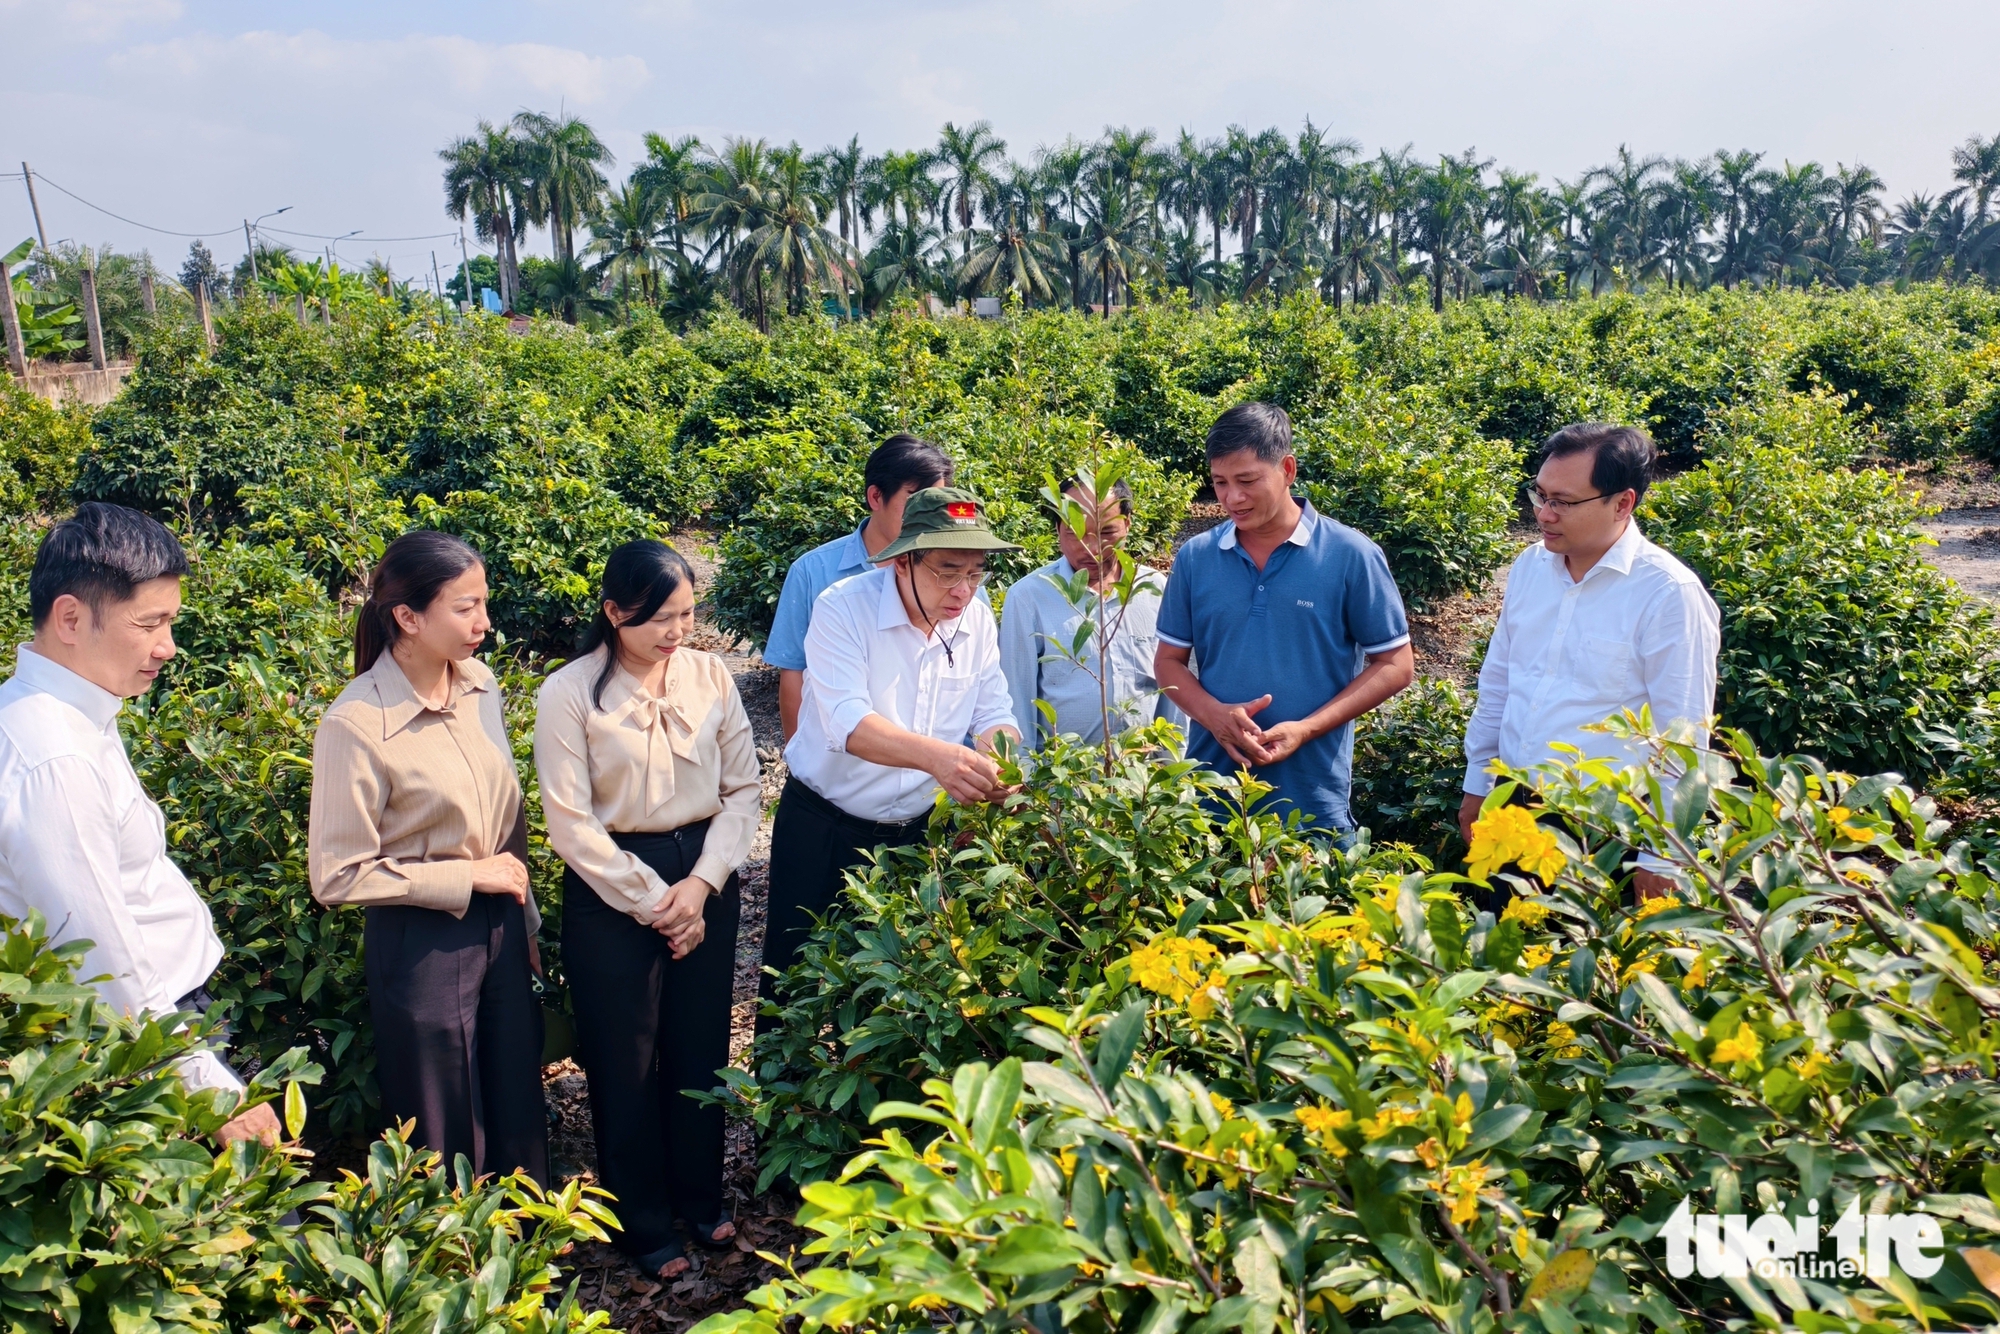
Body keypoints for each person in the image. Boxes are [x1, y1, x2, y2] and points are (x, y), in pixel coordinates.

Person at [0, 503, 279, 1147]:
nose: (167, 646)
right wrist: (204, 1086)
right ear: (71, 618)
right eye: (148, 623)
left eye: (170, 622)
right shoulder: (55, 755)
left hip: (158, 1029)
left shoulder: (70, 715)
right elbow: (98, 953)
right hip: (148, 1044)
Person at [535, 540, 759, 1280]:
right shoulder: (569, 693)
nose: (676, 632)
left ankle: (700, 1197)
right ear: (612, 614)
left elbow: (743, 791)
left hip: (703, 874)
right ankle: (644, 1220)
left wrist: (699, 887)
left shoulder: (708, 676)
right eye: (659, 618)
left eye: (688, 614)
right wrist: (653, 900)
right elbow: (570, 823)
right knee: (624, 1057)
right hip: (612, 888)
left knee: (699, 1045)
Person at [308, 531, 546, 1184]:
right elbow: (336, 873)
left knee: (515, 1101)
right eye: (465, 607)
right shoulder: (355, 723)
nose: (485, 623)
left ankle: (525, 1261)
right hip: (421, 943)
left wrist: (526, 927)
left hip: (499, 921)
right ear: (408, 617)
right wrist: (466, 875)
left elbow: (509, 816)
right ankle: (454, 1273)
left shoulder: (479, 686)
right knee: (443, 1126)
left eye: (485, 604)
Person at [764, 487, 1020, 1024]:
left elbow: (993, 709)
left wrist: (1000, 766)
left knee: (901, 992)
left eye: (976, 574)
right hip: (825, 828)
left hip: (917, 834)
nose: (964, 591)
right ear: (903, 562)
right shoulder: (842, 608)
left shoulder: (975, 620)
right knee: (798, 982)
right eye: (949, 571)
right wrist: (941, 760)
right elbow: (848, 724)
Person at [1458, 423, 1721, 901]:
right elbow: (1499, 684)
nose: (1543, 514)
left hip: (1608, 828)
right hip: (1513, 808)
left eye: (1564, 501)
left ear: (1623, 503)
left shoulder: (1667, 595)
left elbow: (1683, 739)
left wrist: (1661, 855)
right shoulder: (1529, 568)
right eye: (1539, 495)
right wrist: (1479, 784)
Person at [1155, 402, 1416, 838]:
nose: (1232, 498)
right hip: (1214, 799)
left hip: (1312, 802)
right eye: (1219, 483)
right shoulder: (1196, 558)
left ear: (1288, 469)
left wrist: (1306, 728)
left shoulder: (1350, 555)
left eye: (1247, 481)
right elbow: (1168, 662)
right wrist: (1215, 716)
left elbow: (1396, 665)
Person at [766, 434, 959, 742]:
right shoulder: (815, 571)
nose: (928, 518)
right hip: (844, 768)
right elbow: (794, 674)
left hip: (931, 776)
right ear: (875, 497)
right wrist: (799, 761)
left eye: (937, 503)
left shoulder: (959, 581)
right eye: (915, 501)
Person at [998, 474, 1182, 749]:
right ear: (1058, 529)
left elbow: (1172, 690)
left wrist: (1173, 769)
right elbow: (1016, 697)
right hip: (1062, 780)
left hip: (1142, 780)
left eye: (1106, 532)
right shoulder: (1029, 598)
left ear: (1127, 525)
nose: (1093, 549)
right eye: (1075, 533)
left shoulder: (1154, 589)